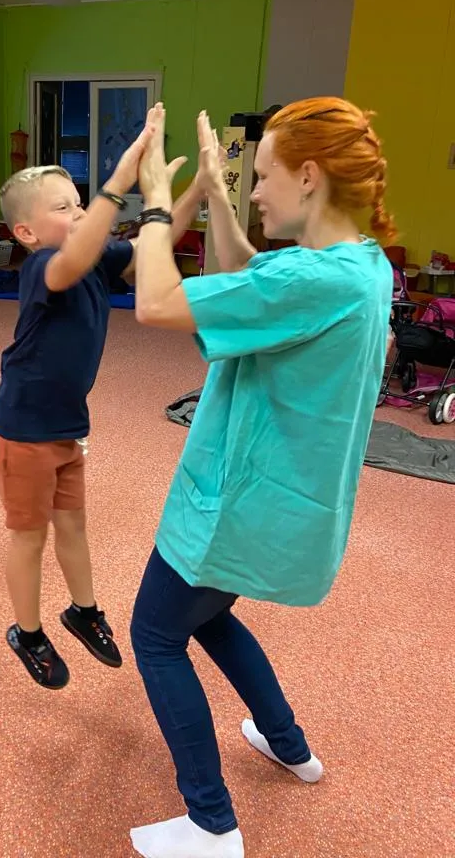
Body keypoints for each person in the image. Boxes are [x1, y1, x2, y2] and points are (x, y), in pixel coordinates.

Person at [128, 100, 393, 858]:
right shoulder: (359, 266)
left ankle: (211, 823)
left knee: (156, 634)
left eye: (265, 176)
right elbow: (249, 279)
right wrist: (214, 192)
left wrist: (158, 204)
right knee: (207, 617)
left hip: (234, 503)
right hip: (272, 504)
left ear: (309, 175)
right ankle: (289, 745)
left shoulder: (314, 279)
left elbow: (154, 302)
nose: (258, 193)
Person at [0, 126, 205, 690]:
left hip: (66, 427)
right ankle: (27, 633)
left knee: (73, 525)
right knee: (29, 536)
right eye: (64, 208)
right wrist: (119, 181)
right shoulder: (41, 266)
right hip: (23, 430)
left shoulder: (97, 260)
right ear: (27, 232)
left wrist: (194, 190)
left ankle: (83, 611)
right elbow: (72, 258)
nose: (80, 212)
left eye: (80, 203)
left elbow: (156, 243)